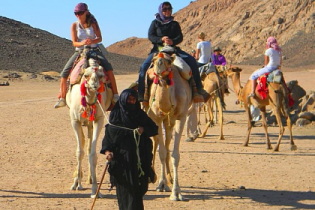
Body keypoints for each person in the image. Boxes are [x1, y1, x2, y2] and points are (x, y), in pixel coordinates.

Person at [137, 1, 210, 102]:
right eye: (164, 9)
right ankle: (141, 93)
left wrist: (172, 41)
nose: (167, 11)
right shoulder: (155, 23)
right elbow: (151, 36)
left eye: (169, 9)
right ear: (160, 11)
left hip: (173, 50)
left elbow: (179, 37)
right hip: (158, 50)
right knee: (144, 67)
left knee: (192, 61)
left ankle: (198, 89)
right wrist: (161, 39)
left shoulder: (175, 24)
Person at [100, 89, 158, 210]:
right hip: (122, 162)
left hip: (139, 160)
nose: (131, 102)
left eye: (133, 99)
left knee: (139, 190)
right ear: (123, 100)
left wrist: (143, 130)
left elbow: (154, 129)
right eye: (128, 99)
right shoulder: (116, 116)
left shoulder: (140, 114)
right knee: (125, 192)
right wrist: (107, 152)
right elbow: (109, 137)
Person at [54, 2, 118, 108]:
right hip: (80, 51)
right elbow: (74, 42)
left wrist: (92, 41)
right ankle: (63, 98)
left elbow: (100, 38)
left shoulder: (93, 23)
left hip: (94, 50)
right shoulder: (74, 25)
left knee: (108, 68)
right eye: (76, 13)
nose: (78, 15)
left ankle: (115, 95)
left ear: (86, 12)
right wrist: (83, 43)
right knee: (64, 73)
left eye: (80, 13)